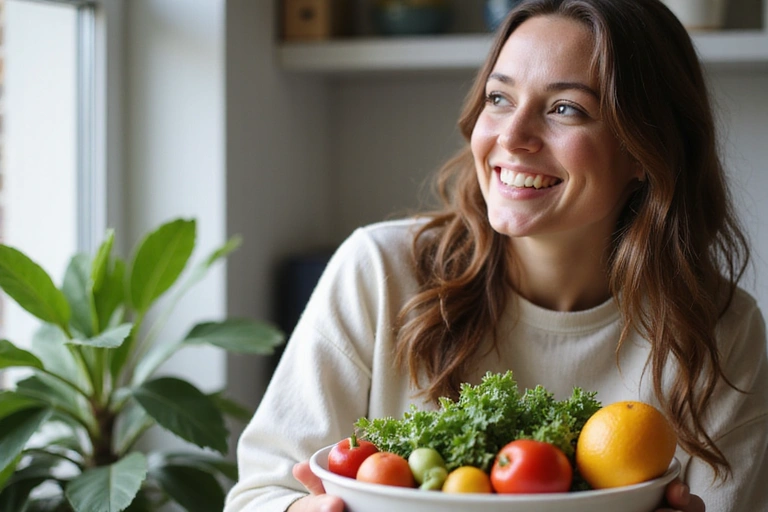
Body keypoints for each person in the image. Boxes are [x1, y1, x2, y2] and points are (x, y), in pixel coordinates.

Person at [225, 0, 768, 511]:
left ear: (645, 151)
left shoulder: (719, 329)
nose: (512, 136)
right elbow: (259, 492)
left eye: (565, 109)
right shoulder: (378, 269)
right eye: (499, 98)